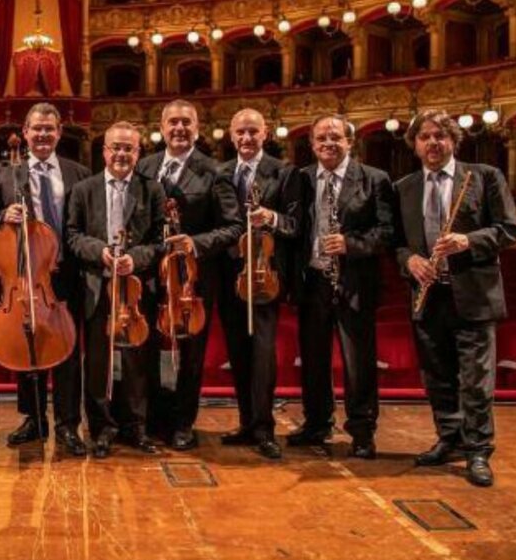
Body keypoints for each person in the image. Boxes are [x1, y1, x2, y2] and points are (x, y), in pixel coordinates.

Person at [394, 109, 516, 486]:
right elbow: (396, 243)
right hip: (428, 294)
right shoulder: (404, 187)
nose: (433, 143)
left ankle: (478, 450)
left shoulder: (484, 177)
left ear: (453, 140)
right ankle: (449, 439)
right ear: (415, 145)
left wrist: (469, 240)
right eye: (425, 137)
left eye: (440, 136)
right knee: (437, 376)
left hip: (473, 295)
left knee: (476, 381)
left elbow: (510, 228)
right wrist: (410, 261)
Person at [136, 100, 242, 450]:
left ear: (197, 129)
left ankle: (183, 423)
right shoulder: (145, 166)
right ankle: (153, 418)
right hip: (151, 272)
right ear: (161, 128)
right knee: (148, 346)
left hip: (193, 279)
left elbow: (233, 227)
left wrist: (194, 243)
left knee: (191, 353)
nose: (179, 128)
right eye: (173, 122)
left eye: (186, 122)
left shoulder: (214, 171)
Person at [0, 102, 90, 456]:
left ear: (59, 133)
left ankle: (67, 424)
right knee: (25, 343)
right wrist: (3, 214)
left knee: (67, 350)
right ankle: (33, 419)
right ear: (25, 132)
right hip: (23, 273)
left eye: (49, 128)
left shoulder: (78, 173)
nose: (43, 134)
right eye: (36, 128)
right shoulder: (3, 172)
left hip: (67, 272)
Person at [288, 114, 393, 459]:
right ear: (312, 144)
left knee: (358, 362)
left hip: (354, 282)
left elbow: (387, 232)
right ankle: (317, 423)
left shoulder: (374, 179)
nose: (328, 144)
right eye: (321, 138)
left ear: (350, 142)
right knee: (314, 360)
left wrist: (351, 244)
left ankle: (362, 431)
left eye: (335, 137)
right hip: (314, 282)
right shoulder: (302, 178)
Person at [66, 121, 166, 458]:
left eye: (129, 148)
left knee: (138, 361)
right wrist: (101, 253)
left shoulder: (152, 190)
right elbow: (73, 235)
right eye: (116, 148)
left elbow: (159, 241)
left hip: (136, 289)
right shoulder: (84, 189)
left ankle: (136, 427)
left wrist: (135, 259)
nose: (122, 154)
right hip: (97, 286)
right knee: (98, 363)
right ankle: (102, 429)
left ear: (138, 152)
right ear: (104, 151)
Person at [215, 108, 301, 460]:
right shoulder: (221, 173)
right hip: (229, 276)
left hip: (265, 275)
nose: (247, 138)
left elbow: (297, 225)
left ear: (265, 134)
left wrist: (272, 218)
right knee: (237, 352)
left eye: (253, 131)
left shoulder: (284, 172)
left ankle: (265, 428)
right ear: (231, 135)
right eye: (241, 132)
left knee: (263, 355)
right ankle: (247, 422)